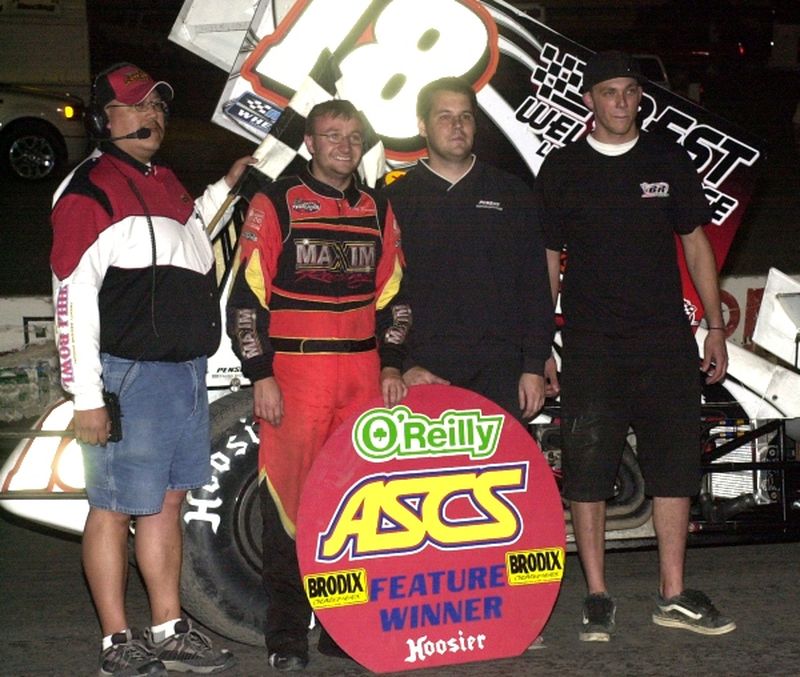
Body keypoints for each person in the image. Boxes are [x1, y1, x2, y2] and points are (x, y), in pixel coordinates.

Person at [51, 62, 250, 676]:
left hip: (185, 372)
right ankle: (118, 641)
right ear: (101, 119)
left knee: (165, 504)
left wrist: (228, 186)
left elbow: (190, 235)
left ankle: (168, 629)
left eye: (157, 107)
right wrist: (87, 394)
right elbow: (70, 293)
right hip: (126, 377)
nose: (151, 117)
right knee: (111, 508)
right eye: (134, 107)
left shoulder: (168, 181)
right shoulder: (87, 189)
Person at [534, 51, 736, 642]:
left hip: (666, 343)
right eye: (609, 92)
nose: (621, 101)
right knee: (587, 471)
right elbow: (547, 257)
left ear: (638, 99)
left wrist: (715, 327)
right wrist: (541, 340)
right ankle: (597, 595)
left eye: (629, 92)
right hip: (592, 345)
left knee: (674, 466)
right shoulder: (563, 168)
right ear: (589, 100)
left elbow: (696, 243)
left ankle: (673, 593)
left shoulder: (667, 159)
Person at [225, 99, 410, 672]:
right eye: (333, 135)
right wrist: (261, 374)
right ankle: (286, 635)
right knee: (288, 504)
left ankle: (341, 626)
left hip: (361, 374)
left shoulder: (379, 206)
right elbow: (246, 301)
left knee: (355, 505)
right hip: (297, 376)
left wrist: (393, 364)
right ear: (310, 142)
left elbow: (395, 296)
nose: (345, 146)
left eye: (354, 137)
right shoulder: (276, 200)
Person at [385, 76, 554, 422]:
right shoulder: (394, 200)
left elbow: (535, 285)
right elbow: (379, 294)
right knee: (428, 477)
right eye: (444, 116)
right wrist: (401, 365)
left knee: (496, 476)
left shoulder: (512, 192)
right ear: (422, 125)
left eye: (465, 116)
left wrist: (534, 364)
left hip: (501, 373)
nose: (457, 125)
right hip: (424, 371)